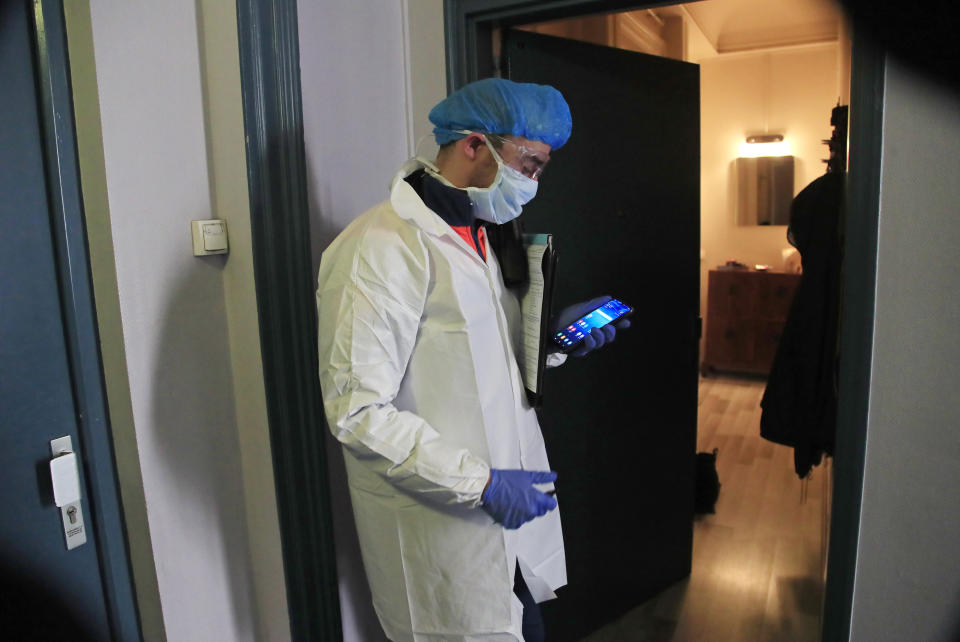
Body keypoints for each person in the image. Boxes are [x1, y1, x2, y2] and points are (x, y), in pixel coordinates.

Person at [315, 78, 626, 642]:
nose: (532, 182)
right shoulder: (379, 247)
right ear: (474, 145)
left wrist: (552, 345)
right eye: (528, 163)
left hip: (508, 523)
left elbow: (480, 368)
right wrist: (479, 483)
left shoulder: (478, 236)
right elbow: (356, 412)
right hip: (446, 530)